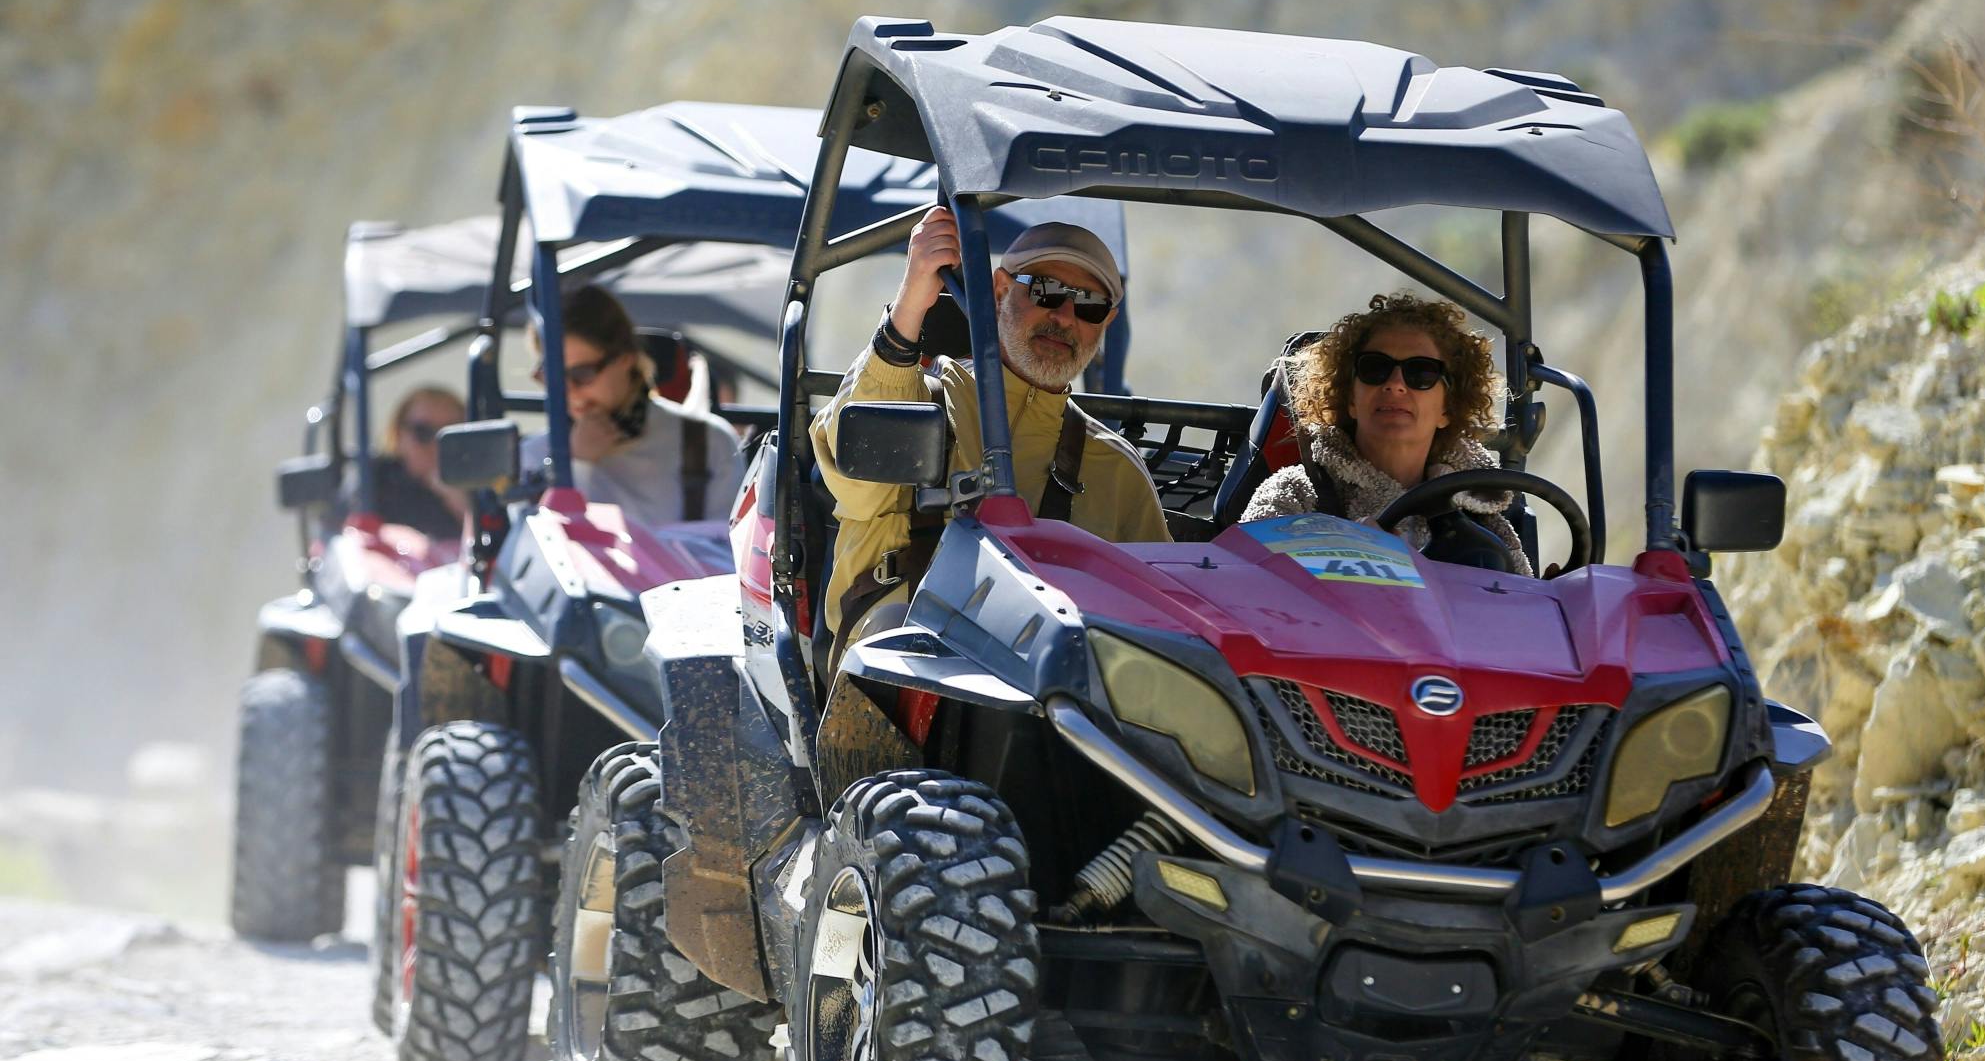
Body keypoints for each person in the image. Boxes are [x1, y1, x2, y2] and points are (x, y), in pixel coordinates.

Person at [812, 207, 1170, 650]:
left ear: (1106, 323)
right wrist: (911, 302)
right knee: (895, 635)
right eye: (1046, 291)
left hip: (1054, 675)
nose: (1065, 316)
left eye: (1090, 306)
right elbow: (856, 474)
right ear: (999, 290)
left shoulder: (1117, 470)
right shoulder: (919, 399)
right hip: (903, 664)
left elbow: (1159, 621)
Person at [1243, 291, 1532, 576]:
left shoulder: (1481, 514)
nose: (1395, 384)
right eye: (1375, 368)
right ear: (1350, 398)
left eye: (1421, 373)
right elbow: (1243, 582)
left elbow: (1523, 600)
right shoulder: (1296, 494)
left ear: (1448, 407)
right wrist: (1348, 560)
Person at [519, 285, 743, 528]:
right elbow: (530, 545)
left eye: (582, 374)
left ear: (626, 359)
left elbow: (729, 544)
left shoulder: (707, 441)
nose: (569, 391)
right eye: (552, 376)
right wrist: (575, 464)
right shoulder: (533, 457)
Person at [369, 386, 468, 542]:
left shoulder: (483, 481)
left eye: (452, 433)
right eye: (423, 432)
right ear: (398, 435)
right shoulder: (372, 480)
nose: (437, 445)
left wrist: (459, 501)